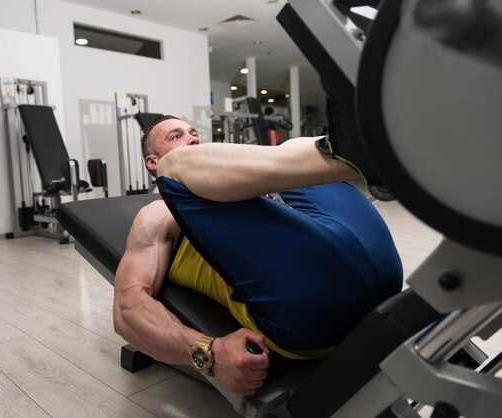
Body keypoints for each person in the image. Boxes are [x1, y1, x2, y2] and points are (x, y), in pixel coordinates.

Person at [113, 116, 403, 396]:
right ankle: (370, 155)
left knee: (294, 145)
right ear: (151, 162)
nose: (191, 139)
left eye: (193, 134)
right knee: (176, 167)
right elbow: (128, 308)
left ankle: (365, 152)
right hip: (311, 306)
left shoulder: (236, 188)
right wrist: (207, 352)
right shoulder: (156, 214)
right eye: (176, 136)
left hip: (381, 273)